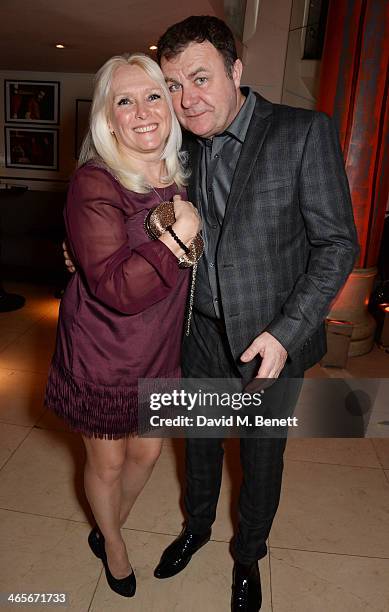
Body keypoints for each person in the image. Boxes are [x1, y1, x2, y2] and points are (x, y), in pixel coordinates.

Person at [63, 16, 359, 611]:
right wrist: (80, 246)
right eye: (172, 85)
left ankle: (247, 556)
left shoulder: (304, 132)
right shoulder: (176, 147)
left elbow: (338, 244)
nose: (185, 99)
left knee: (259, 457)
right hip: (194, 332)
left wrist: (287, 331)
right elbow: (122, 209)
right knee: (196, 445)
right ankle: (195, 528)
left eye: (200, 78)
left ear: (236, 71)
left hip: (270, 342)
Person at [45, 52, 201, 598]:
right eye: (125, 101)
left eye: (153, 95)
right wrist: (177, 237)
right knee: (107, 461)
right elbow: (115, 288)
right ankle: (113, 542)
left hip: (162, 347)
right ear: (108, 119)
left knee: (149, 451)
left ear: (171, 105)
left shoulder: (189, 170)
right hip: (104, 347)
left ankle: (108, 524)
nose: (142, 111)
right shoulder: (95, 181)